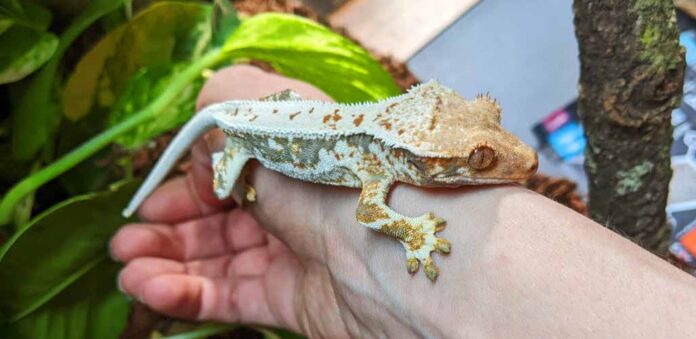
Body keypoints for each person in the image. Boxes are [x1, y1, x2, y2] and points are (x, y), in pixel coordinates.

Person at [110, 65, 696, 338]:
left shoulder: (390, 151)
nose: (528, 161)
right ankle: (225, 167)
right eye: (480, 160)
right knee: (223, 178)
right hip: (251, 132)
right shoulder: (374, 163)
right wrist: (416, 233)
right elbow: (368, 213)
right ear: (417, 159)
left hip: (285, 113)